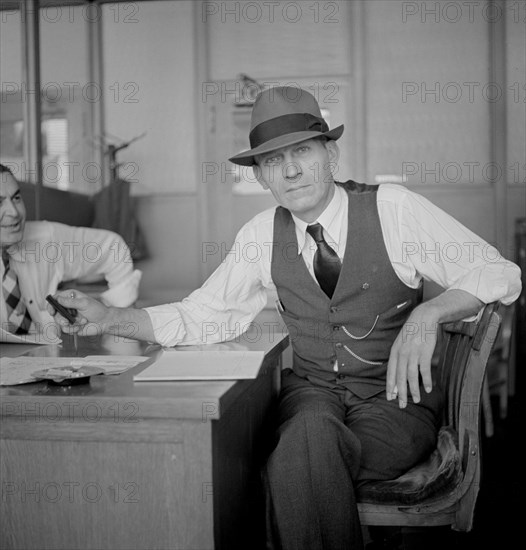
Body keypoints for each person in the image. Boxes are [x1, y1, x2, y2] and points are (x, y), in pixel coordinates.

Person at [49, 87, 521, 549]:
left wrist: (429, 311)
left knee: (292, 457)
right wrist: (110, 317)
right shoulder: (259, 235)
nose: (291, 170)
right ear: (261, 178)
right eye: (274, 161)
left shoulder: (393, 209)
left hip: (394, 405)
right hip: (312, 395)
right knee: (306, 436)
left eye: (303, 152)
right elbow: (203, 314)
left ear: (330, 154)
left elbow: (499, 272)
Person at [0, 163, 141, 336]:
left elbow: (113, 248)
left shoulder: (45, 240)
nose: (14, 212)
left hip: (43, 359)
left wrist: (117, 322)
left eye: (16, 198)